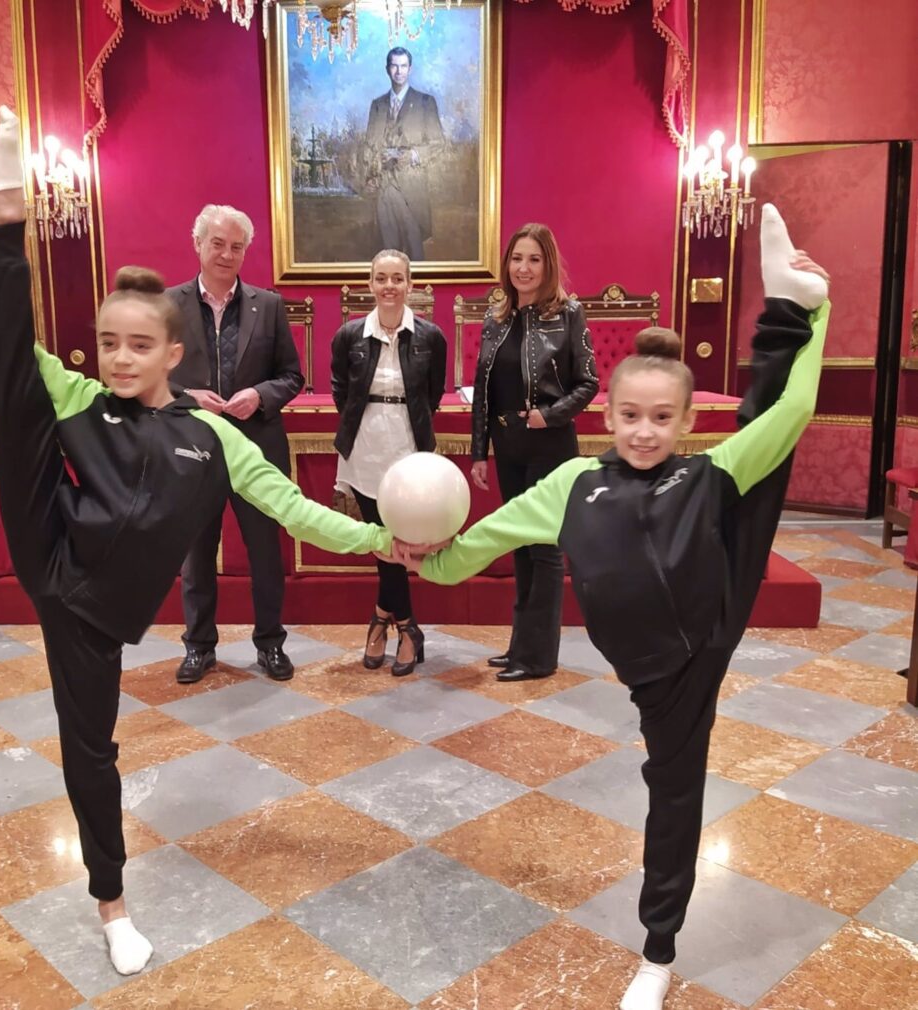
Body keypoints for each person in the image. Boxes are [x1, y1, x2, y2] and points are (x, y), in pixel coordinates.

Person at [0, 109, 394, 978]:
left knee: (99, 745)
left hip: (96, 610)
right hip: (53, 538)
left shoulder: (211, 437)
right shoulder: (84, 399)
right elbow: (3, 342)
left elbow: (297, 512)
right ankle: (111, 905)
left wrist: (381, 537)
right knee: (15, 382)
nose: (119, 358)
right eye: (110, 342)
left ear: (172, 351)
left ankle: (109, 895)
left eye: (137, 345)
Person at [385, 204, 830, 1010]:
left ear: (687, 422)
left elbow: (792, 416)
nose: (646, 431)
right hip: (646, 667)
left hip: (701, 643)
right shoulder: (571, 485)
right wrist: (421, 557)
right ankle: (791, 302)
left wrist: (823, 318)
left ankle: (657, 954)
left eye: (664, 418)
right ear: (608, 415)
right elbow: (472, 553)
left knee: (675, 789)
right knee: (667, 777)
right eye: (630, 415)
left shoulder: (706, 472)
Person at [168, 204, 304, 685]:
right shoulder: (167, 305)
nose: (227, 254)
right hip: (194, 450)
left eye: (237, 246)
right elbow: (146, 381)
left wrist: (259, 395)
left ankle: (270, 644)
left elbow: (292, 376)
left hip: (256, 450)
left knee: (267, 554)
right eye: (218, 244)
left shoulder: (267, 305)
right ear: (198, 244)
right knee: (196, 555)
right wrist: (186, 398)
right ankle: (199, 647)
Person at [469, 223, 598, 682]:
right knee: (519, 545)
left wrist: (552, 413)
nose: (523, 268)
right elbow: (482, 392)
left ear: (548, 264)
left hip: (550, 445)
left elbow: (589, 383)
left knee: (543, 550)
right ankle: (520, 646)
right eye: (517, 259)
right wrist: (478, 452)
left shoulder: (569, 314)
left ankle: (539, 656)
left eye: (534, 259)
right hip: (508, 446)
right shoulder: (495, 317)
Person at [331, 248, 447, 675]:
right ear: (370, 284)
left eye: (397, 278)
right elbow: (342, 391)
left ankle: (387, 620)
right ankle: (405, 627)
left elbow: (432, 395)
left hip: (408, 448)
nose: (389, 286)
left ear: (410, 284)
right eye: (381, 278)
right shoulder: (349, 335)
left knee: (397, 543)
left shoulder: (431, 336)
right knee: (384, 544)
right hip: (365, 449)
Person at [364, 46, 445, 260]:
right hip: (384, 188)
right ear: (387, 69)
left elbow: (438, 143)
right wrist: (372, 174)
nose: (399, 71)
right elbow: (369, 146)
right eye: (394, 66)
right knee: (386, 253)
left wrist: (414, 155)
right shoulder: (377, 105)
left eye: (403, 66)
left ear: (410, 69)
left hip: (411, 189)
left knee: (414, 252)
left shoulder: (425, 102)